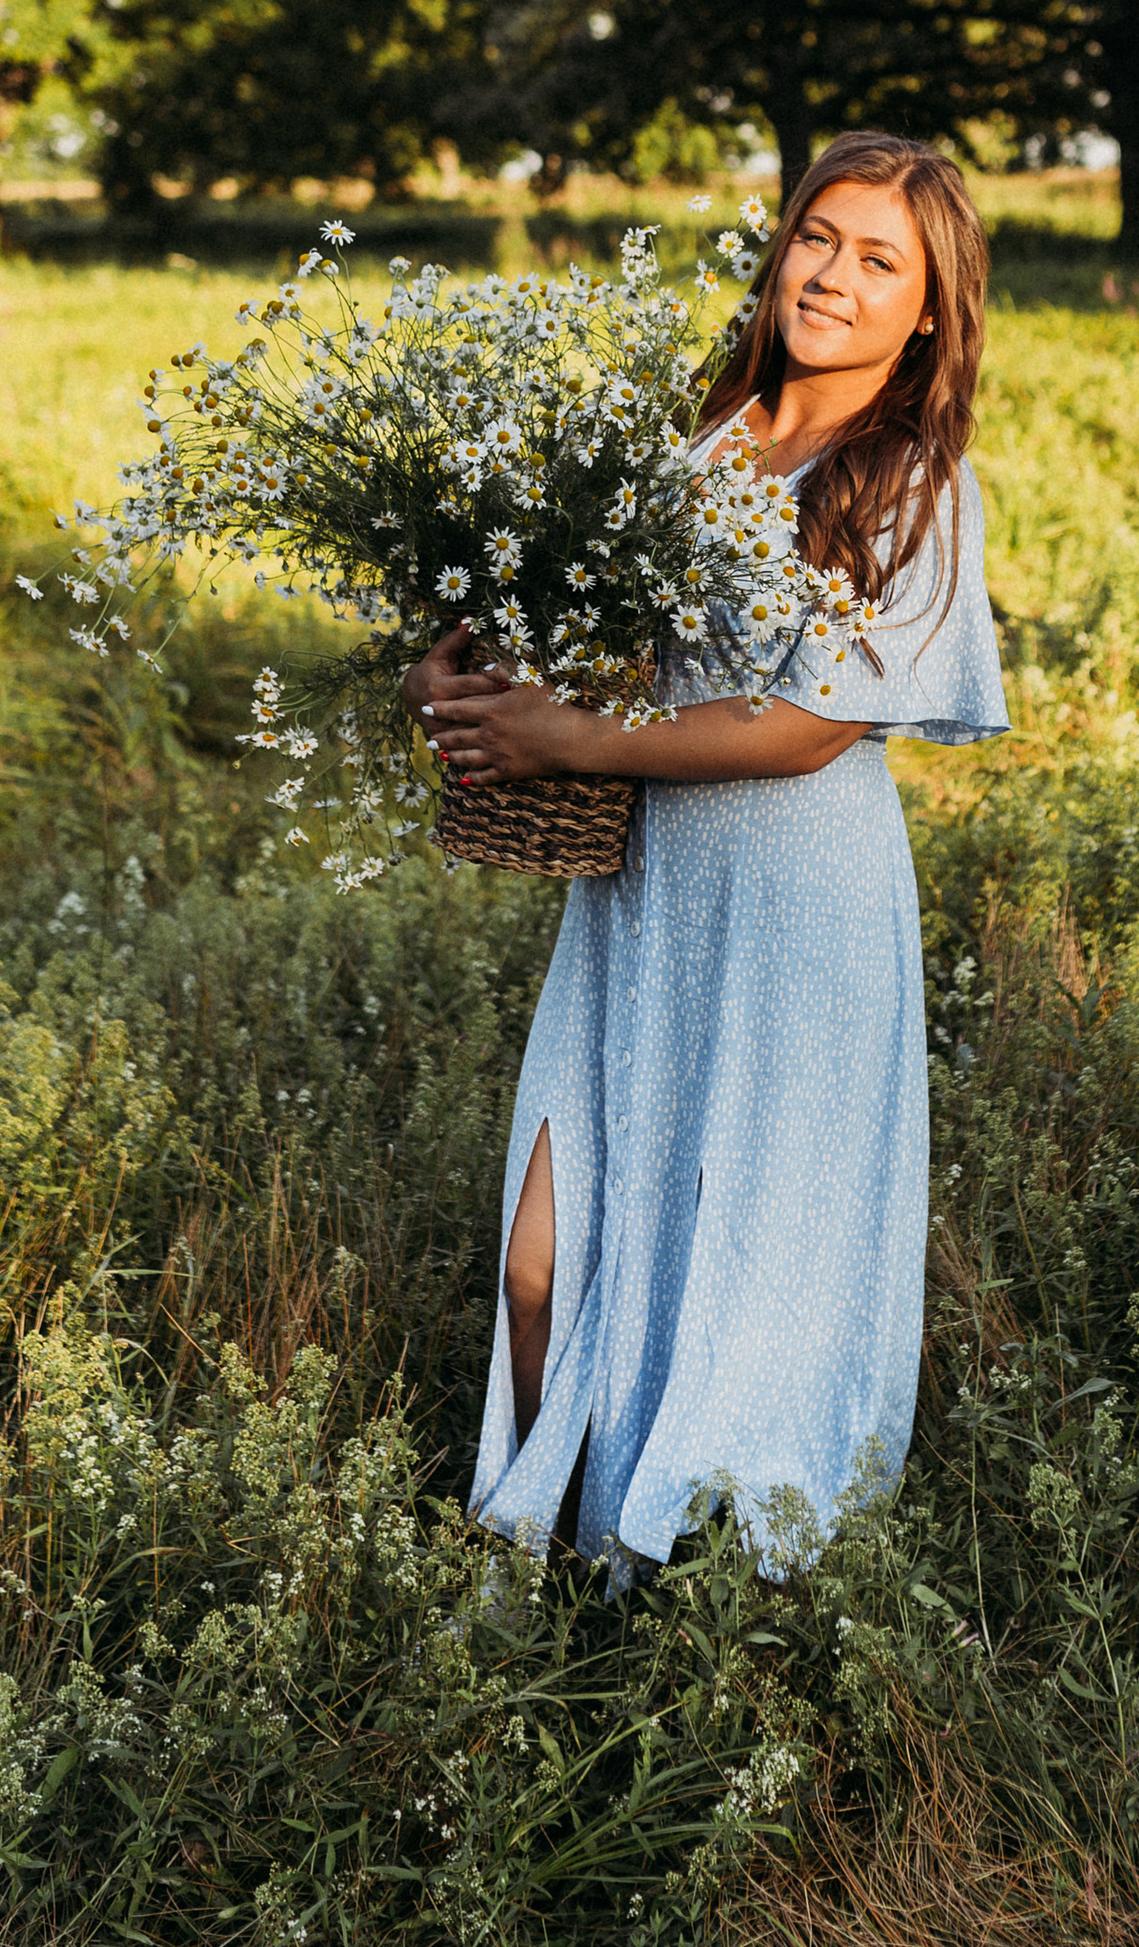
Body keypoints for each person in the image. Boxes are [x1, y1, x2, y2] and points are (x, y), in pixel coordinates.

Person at [403, 133, 1007, 1573]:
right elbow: (576, 628)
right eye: (818, 238)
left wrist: (572, 740)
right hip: (643, 890)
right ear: (779, 249)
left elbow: (809, 728)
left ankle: (714, 1567)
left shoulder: (914, 482)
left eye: (880, 261)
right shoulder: (700, 437)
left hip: (800, 900)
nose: (835, 277)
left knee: (752, 1248)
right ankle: (557, 1545)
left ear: (930, 308)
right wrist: (458, 671)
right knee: (542, 1253)